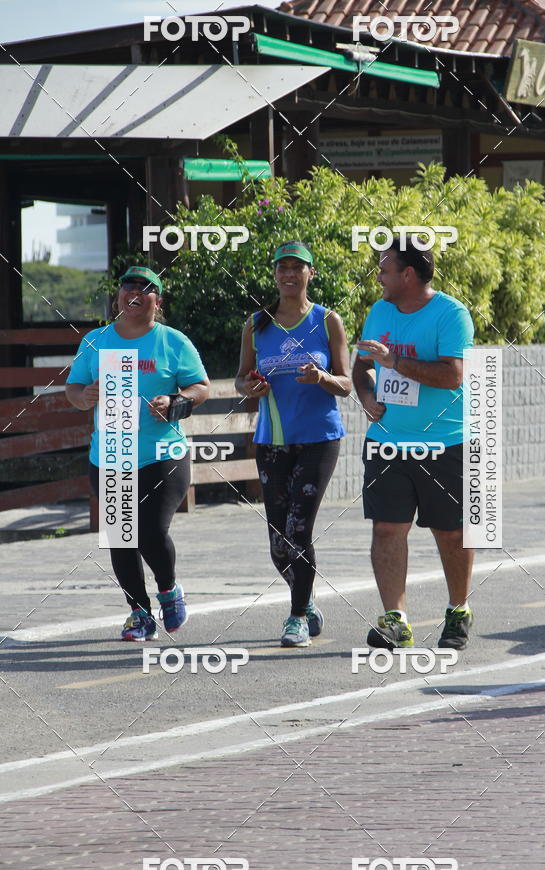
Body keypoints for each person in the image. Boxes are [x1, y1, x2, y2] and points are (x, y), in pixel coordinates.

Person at [65, 265, 209, 640]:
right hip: (110, 455)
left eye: (146, 288)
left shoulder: (173, 342)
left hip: (162, 453)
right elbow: (73, 388)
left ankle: (169, 588)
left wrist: (175, 401)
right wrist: (85, 396)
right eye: (128, 286)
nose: (135, 292)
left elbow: (201, 387)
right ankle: (139, 613)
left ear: (157, 302)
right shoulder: (95, 341)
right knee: (120, 536)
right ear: (118, 298)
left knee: (149, 529)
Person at [352, 236, 475, 651]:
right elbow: (361, 367)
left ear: (407, 274)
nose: (378, 277)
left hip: (445, 442)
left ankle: (458, 611)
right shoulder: (379, 311)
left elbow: (452, 375)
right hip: (387, 440)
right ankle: (396, 621)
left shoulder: (451, 314)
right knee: (387, 529)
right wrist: (366, 396)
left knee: (451, 532)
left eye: (384, 269)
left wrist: (395, 362)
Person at [235, 240, 351, 648]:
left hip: (319, 438)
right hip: (272, 441)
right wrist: (250, 386)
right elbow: (241, 378)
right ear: (275, 274)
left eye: (296, 267)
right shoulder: (256, 324)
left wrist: (322, 378)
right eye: (282, 267)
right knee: (278, 541)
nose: (288, 274)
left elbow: (346, 384)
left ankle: (297, 616)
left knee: (298, 529)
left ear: (310, 274)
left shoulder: (327, 320)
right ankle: (307, 597)